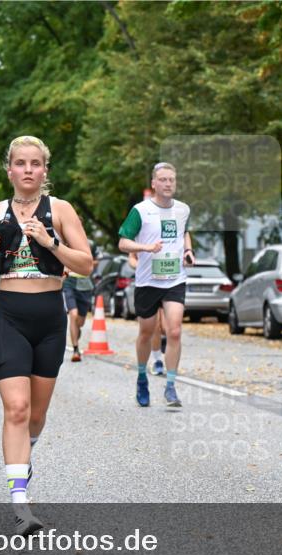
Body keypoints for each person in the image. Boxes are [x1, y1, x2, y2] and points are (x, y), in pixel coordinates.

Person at [0, 135, 92, 536]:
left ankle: (25, 456)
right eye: (20, 163)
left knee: (36, 416)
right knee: (17, 409)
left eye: (35, 163)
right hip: (10, 318)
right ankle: (20, 501)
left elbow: (86, 264)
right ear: (9, 169)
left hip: (50, 321)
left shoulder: (60, 210)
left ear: (44, 170)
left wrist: (49, 242)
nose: (27, 170)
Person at [117, 162, 194, 408]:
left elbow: (184, 233)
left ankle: (170, 386)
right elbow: (123, 243)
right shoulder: (140, 211)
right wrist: (145, 248)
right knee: (146, 332)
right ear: (154, 183)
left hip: (175, 279)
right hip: (148, 281)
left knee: (174, 331)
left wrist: (188, 251)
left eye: (171, 179)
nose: (168, 183)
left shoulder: (183, 210)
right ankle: (141, 377)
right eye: (163, 180)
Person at [62, 240, 97, 361]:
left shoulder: (89, 244)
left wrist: (83, 262)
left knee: (80, 322)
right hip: (69, 283)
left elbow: (95, 261)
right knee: (73, 314)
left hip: (85, 285)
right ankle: (76, 350)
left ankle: (77, 331)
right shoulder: (65, 244)